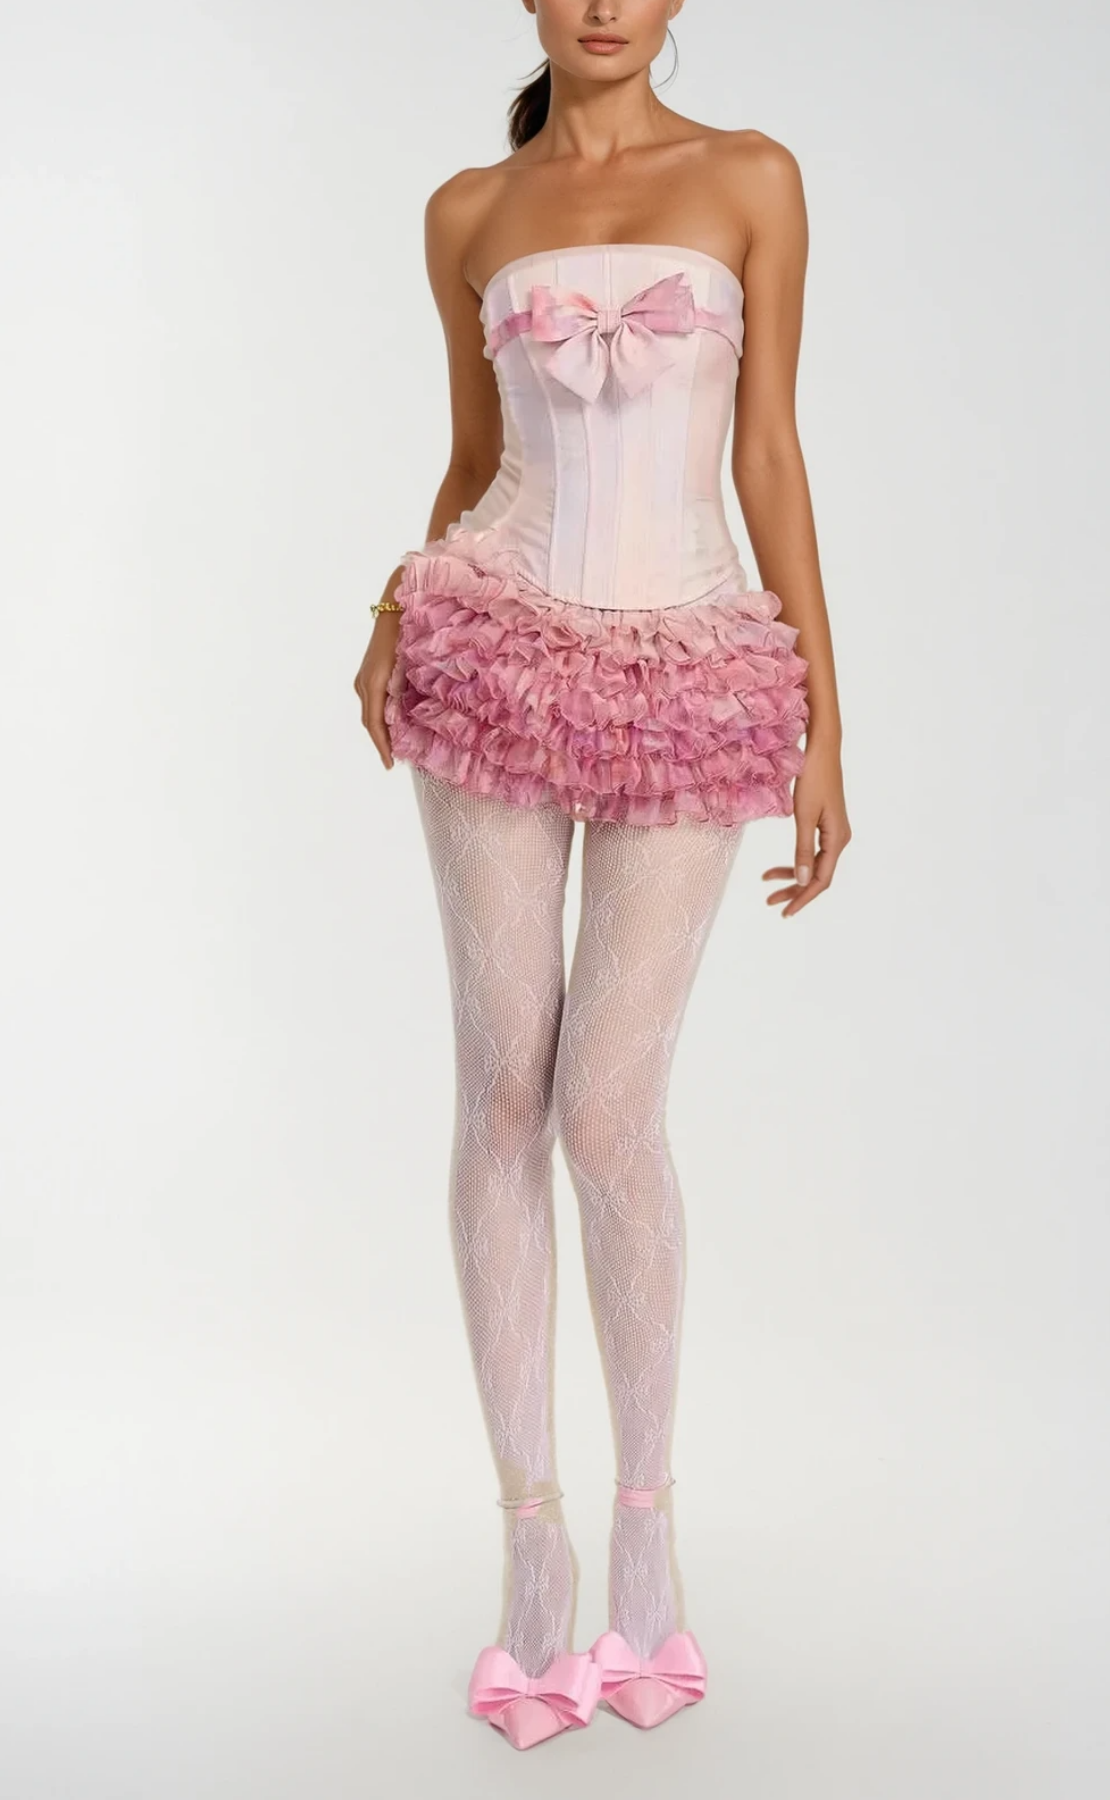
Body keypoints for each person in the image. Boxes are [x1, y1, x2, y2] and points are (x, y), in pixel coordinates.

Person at [354, 0, 850, 1752]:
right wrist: (392, 608)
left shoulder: (753, 178)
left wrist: (826, 718)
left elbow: (769, 449)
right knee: (502, 1088)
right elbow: (474, 463)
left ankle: (649, 1536)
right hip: (491, 642)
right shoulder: (467, 212)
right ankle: (533, 1553)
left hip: (693, 659)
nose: (605, 3)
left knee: (609, 1108)